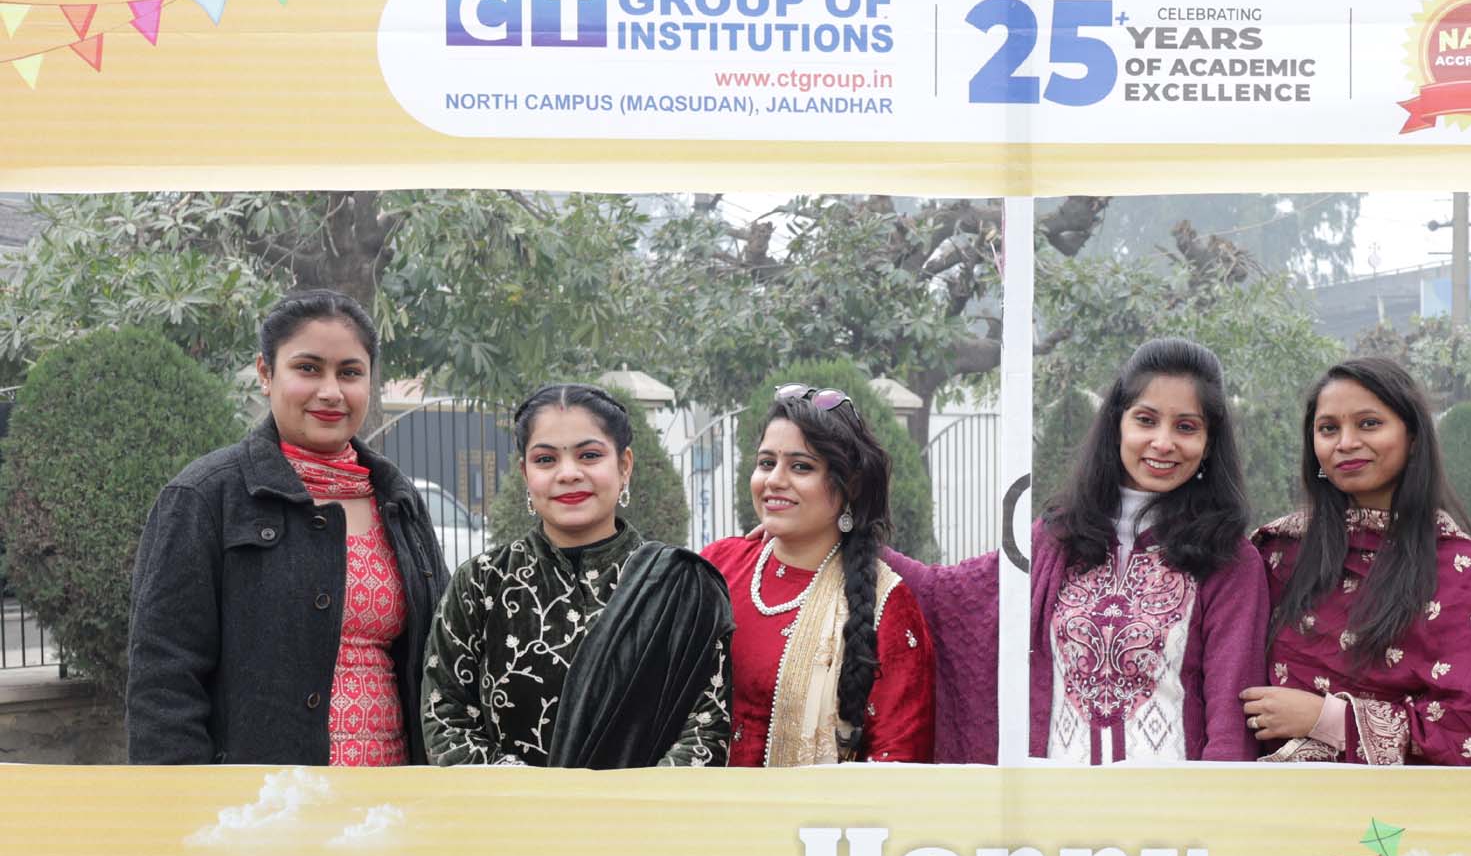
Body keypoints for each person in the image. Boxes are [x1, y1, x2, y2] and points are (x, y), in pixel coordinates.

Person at [128, 289, 447, 765]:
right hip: (263, 797)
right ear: (266, 373)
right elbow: (163, 677)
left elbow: (441, 661)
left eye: (350, 373)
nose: (331, 391)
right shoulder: (206, 497)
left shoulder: (398, 501)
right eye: (308, 368)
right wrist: (188, 797)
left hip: (392, 792)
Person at [423, 383, 734, 767]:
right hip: (508, 804)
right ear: (524, 473)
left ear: (624, 465)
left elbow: (705, 729)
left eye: (589, 455)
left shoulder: (681, 588)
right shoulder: (482, 583)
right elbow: (446, 717)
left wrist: (632, 799)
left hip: (647, 805)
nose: (568, 473)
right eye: (545, 459)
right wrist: (531, 795)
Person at [1243, 357, 1471, 765]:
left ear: (1413, 437)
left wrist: (1327, 719)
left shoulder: (1455, 565)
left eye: (1369, 423)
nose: (1346, 442)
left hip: (1389, 805)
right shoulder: (1277, 552)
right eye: (1328, 428)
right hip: (1266, 796)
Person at [1030, 338, 1267, 763]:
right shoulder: (1055, 539)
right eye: (1146, 420)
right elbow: (953, 597)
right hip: (1056, 799)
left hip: (1176, 804)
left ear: (1209, 443)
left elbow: (1231, 724)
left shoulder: (1229, 560)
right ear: (1117, 424)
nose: (1163, 442)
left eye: (1186, 427)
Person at [702, 384, 935, 765]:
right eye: (766, 463)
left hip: (813, 806)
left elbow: (897, 764)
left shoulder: (886, 606)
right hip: (695, 799)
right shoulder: (718, 567)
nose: (774, 480)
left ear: (850, 485)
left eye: (801, 467)